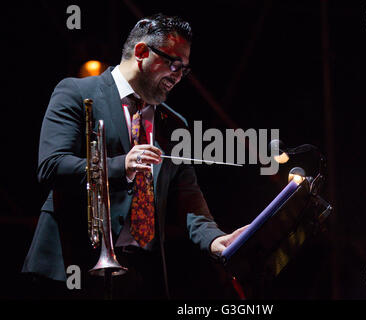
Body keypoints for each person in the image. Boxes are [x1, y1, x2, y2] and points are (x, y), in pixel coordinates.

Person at [22, 13, 246, 299]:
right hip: (69, 266)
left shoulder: (175, 124)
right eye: (174, 63)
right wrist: (120, 166)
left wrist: (215, 239)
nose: (178, 76)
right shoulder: (75, 92)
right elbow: (52, 167)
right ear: (141, 52)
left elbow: (187, 196)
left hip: (137, 278)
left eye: (184, 69)